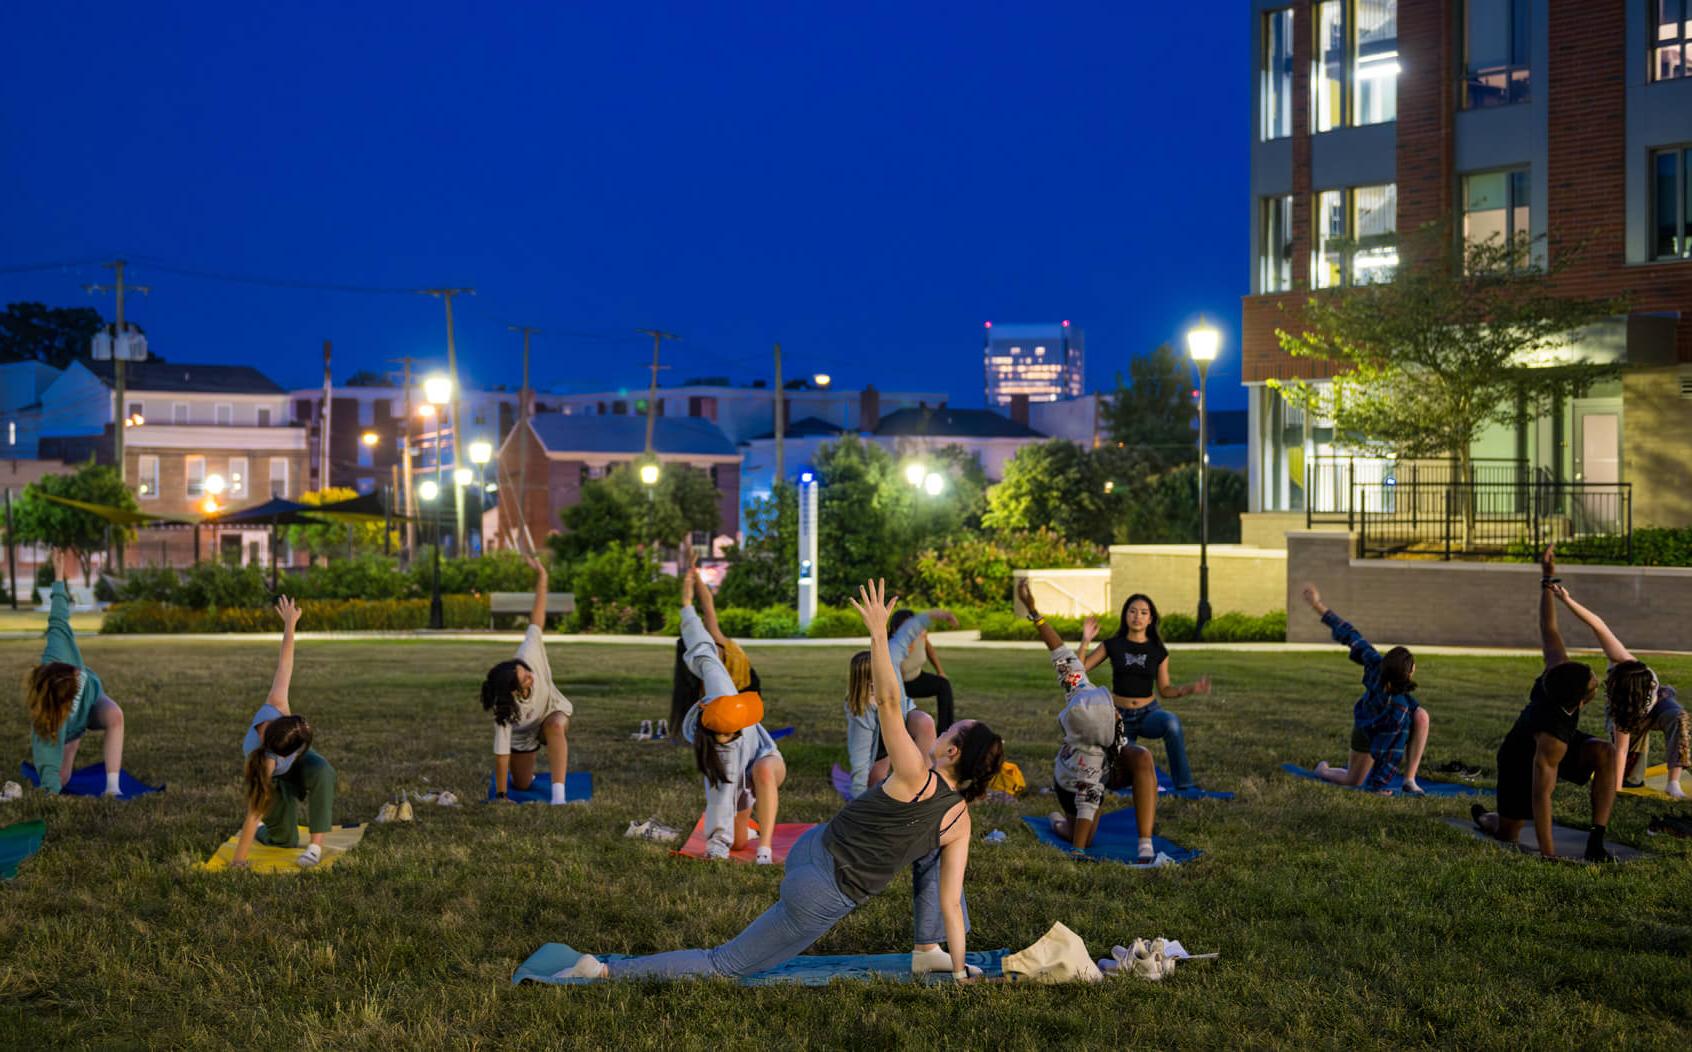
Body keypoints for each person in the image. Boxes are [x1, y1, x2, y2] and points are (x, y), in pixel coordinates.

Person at [560, 579, 1005, 982]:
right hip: (819, 894)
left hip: (814, 846)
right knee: (723, 964)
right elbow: (951, 902)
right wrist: (964, 970)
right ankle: (604, 971)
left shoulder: (914, 773)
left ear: (951, 752)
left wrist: (876, 630)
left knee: (929, 854)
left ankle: (928, 951)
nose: (941, 730)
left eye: (949, 731)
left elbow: (889, 701)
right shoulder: (955, 818)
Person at [1471, 547, 1620, 861]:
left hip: (1560, 740)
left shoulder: (1558, 670)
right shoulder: (1550, 738)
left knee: (1606, 751)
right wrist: (1549, 855)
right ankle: (1490, 818)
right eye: (1594, 683)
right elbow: (1542, 797)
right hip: (1519, 758)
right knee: (1509, 833)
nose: (1597, 679)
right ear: (1580, 700)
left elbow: (1547, 628)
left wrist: (1547, 577)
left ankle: (1597, 839)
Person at [1019, 579, 1158, 860]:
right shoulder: (1088, 763)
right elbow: (1087, 804)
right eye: (1113, 714)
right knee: (1083, 833)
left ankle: (1146, 841)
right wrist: (1078, 850)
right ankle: (1058, 820)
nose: (1117, 713)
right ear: (1105, 729)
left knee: (1142, 757)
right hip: (1069, 783)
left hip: (1108, 760)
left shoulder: (1079, 691)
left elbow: (1059, 651)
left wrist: (1034, 612)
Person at [1540, 549, 1687, 800]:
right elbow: (1620, 749)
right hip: (1632, 716)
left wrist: (1566, 599)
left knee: (1679, 716)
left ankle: (1674, 783)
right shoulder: (1622, 693)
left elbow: (1597, 624)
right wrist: (1616, 791)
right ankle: (1627, 779)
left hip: (1658, 704)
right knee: (1633, 780)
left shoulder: (1634, 671)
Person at [678, 567, 787, 863]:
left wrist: (690, 597)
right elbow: (720, 797)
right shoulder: (718, 747)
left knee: (762, 771)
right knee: (737, 842)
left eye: (733, 733)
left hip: (765, 761)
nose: (730, 738)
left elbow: (705, 642)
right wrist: (717, 847)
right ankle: (746, 833)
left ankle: (764, 845)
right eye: (725, 736)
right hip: (735, 775)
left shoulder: (723, 680)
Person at [231, 597, 337, 868]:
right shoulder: (265, 762)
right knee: (285, 840)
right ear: (285, 752)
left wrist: (290, 623)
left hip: (291, 761)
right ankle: (273, 829)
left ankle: (315, 847)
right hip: (275, 781)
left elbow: (285, 663)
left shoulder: (276, 706)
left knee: (323, 770)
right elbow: (254, 811)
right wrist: (239, 860)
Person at [1299, 583, 1430, 795]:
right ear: (1408, 674)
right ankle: (1322, 770)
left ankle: (1409, 779)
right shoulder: (1399, 709)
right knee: (1352, 780)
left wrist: (1316, 604)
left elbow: (1351, 635)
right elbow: (1390, 754)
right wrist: (1377, 786)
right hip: (1366, 729)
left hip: (1379, 723)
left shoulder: (1376, 663)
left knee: (1422, 717)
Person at [1077, 593, 1210, 791]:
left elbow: (1165, 690)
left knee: (1171, 722)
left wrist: (1190, 688)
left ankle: (1184, 785)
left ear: (1150, 619)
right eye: (1132, 611)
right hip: (1118, 718)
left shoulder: (1158, 650)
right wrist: (1085, 640)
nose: (1137, 616)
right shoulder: (1113, 644)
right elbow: (1080, 668)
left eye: (1143, 612)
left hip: (1149, 713)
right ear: (1125, 616)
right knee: (1125, 770)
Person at [26, 549, 126, 796]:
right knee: (62, 778)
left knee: (115, 716)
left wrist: (59, 575)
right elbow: (47, 761)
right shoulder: (48, 720)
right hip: (69, 729)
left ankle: (113, 788)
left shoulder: (58, 650)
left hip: (93, 701)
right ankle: (74, 740)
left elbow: (58, 615)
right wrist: (49, 791)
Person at [481, 553, 574, 804]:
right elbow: (501, 756)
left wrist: (542, 577)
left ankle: (558, 796)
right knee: (521, 785)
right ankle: (526, 774)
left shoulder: (527, 654)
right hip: (524, 735)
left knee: (555, 726)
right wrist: (501, 795)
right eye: (525, 679)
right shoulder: (505, 712)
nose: (530, 676)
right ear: (513, 692)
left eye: (526, 671)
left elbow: (537, 618)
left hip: (550, 711)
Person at [844, 605, 950, 797]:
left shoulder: (889, 659)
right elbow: (859, 763)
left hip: (901, 722)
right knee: (877, 785)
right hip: (880, 745)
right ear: (864, 688)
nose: (882, 690)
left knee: (924, 722)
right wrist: (856, 807)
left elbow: (906, 633)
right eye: (873, 687)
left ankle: (925, 787)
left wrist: (934, 614)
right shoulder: (862, 712)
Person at [669, 552, 760, 741]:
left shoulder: (708, 663)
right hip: (744, 692)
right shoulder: (715, 649)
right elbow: (703, 604)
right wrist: (691, 574)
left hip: (741, 692)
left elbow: (695, 605)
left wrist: (690, 575)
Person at [890, 608, 955, 732]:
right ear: (895, 628)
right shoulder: (892, 645)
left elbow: (929, 650)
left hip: (917, 678)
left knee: (943, 684)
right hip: (898, 685)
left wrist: (940, 672)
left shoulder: (920, 635)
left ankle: (945, 731)